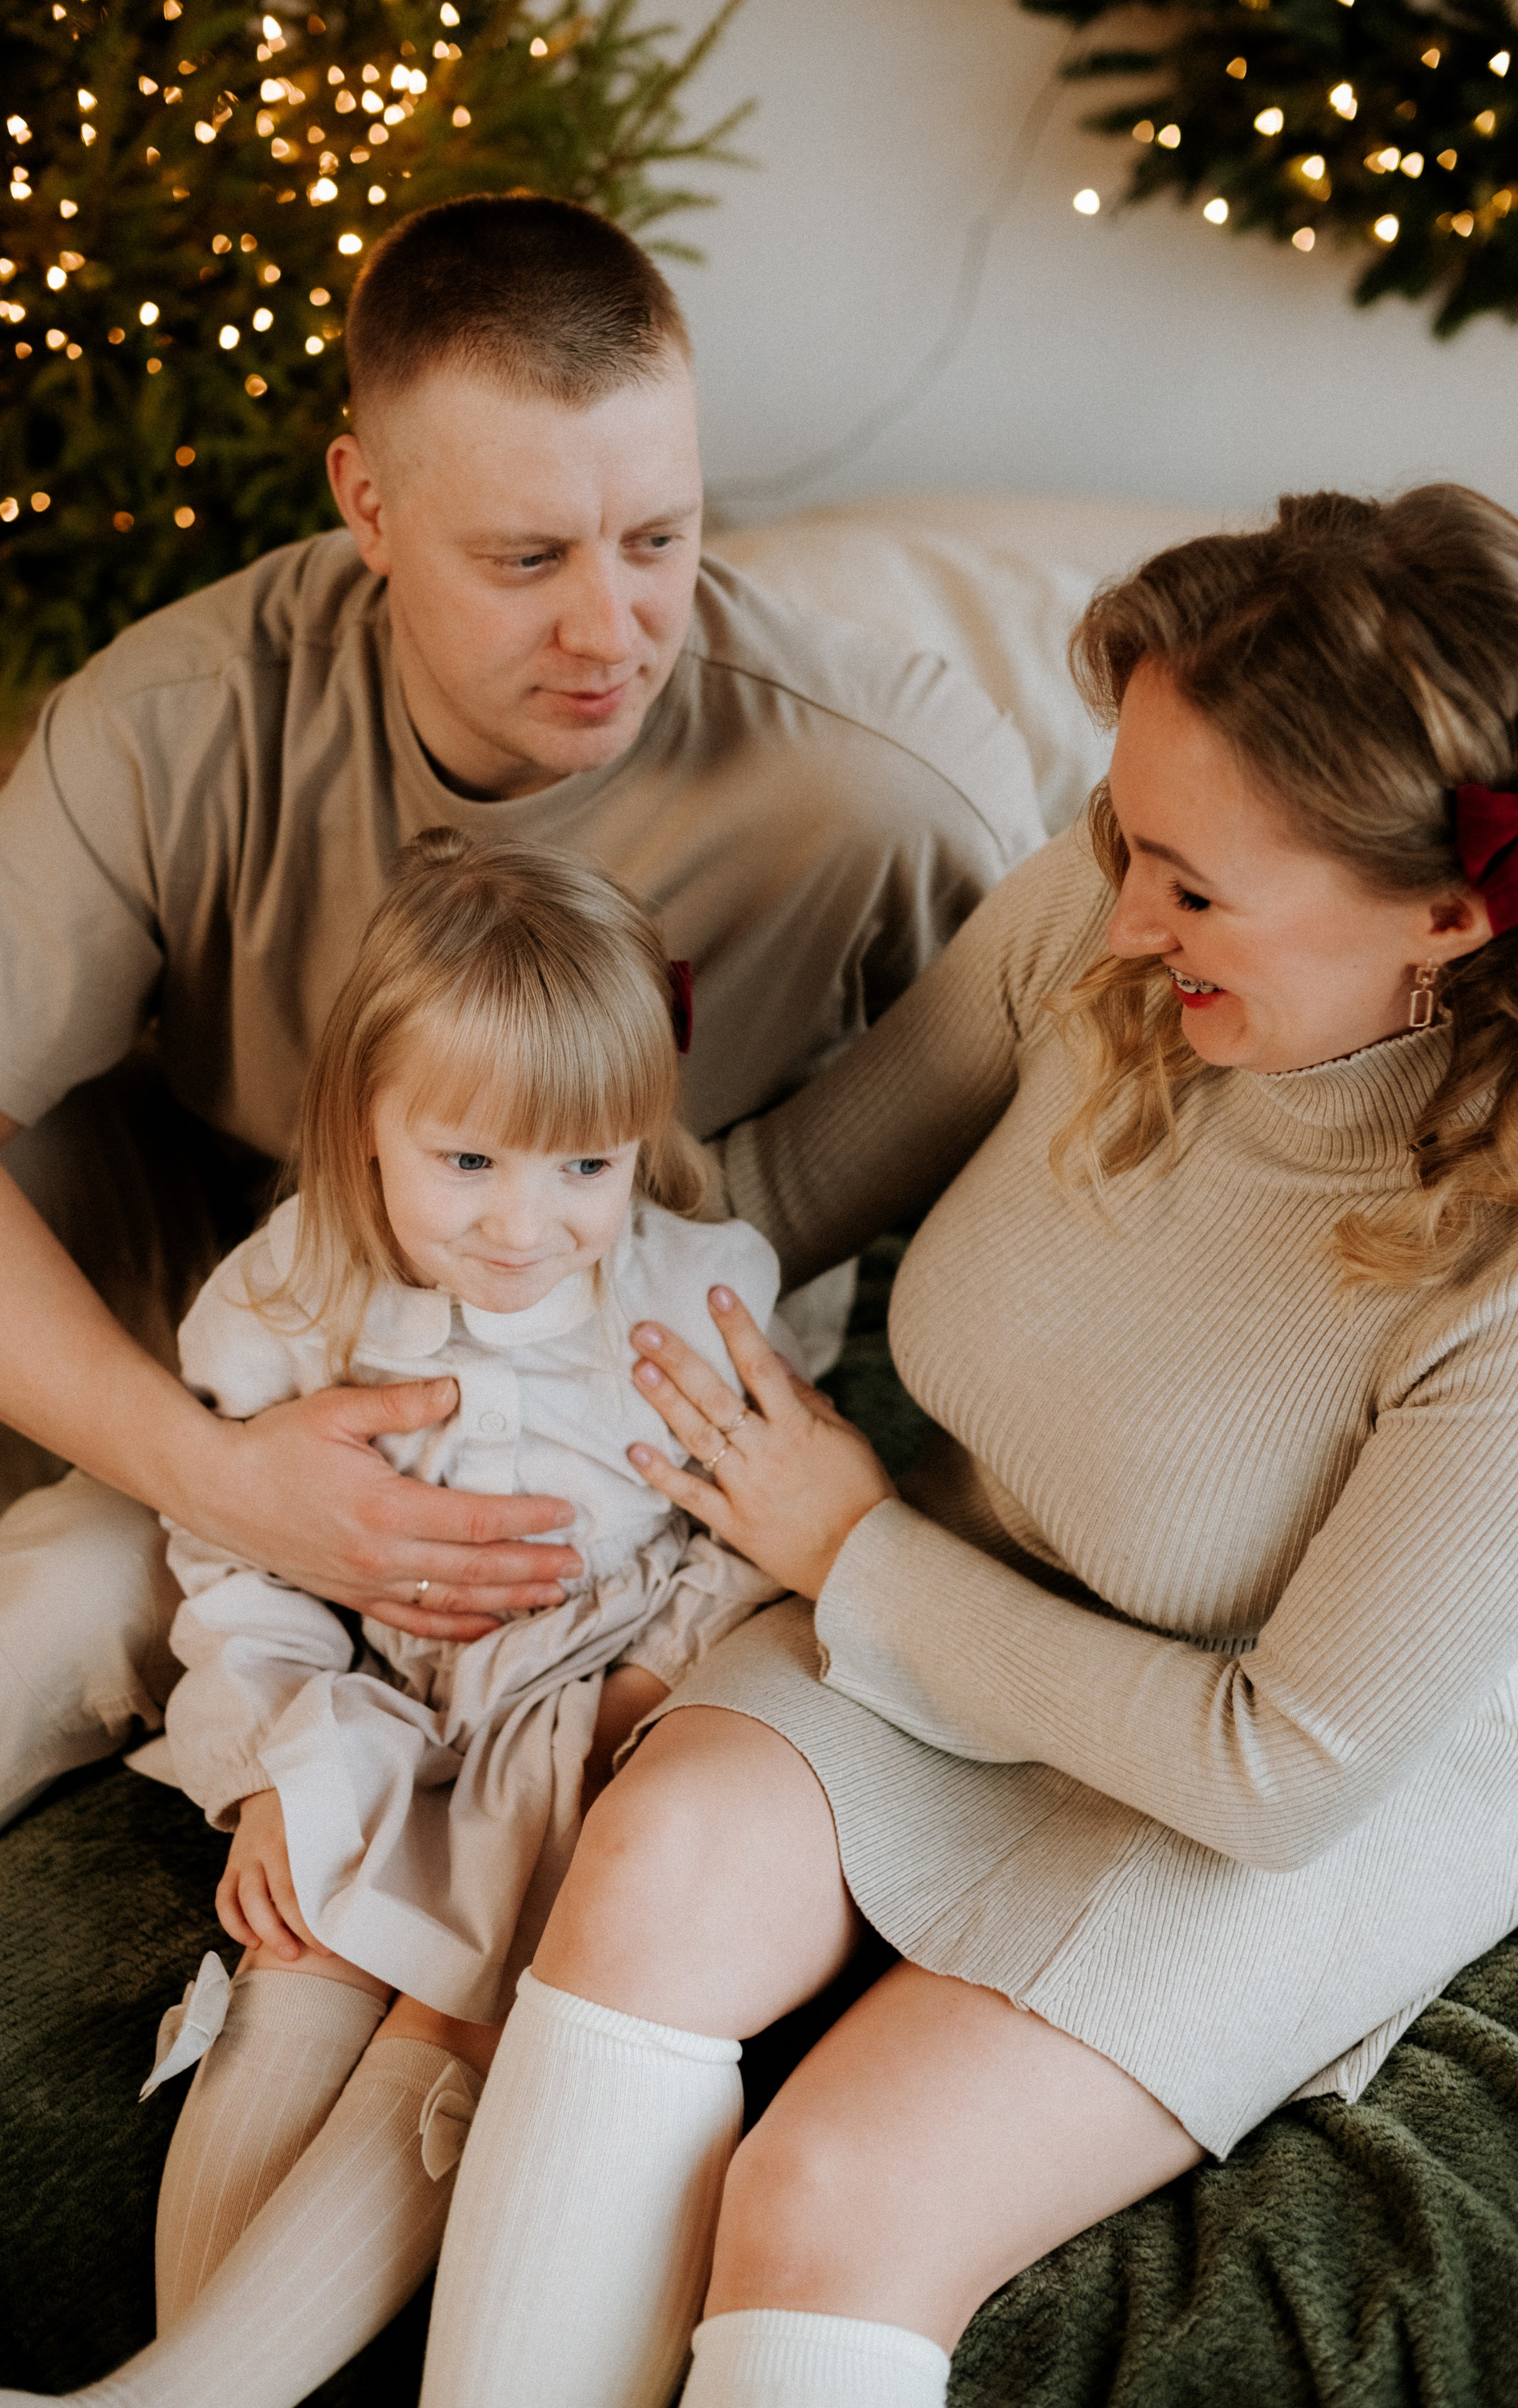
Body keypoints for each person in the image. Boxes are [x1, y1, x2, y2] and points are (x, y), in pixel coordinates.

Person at [355, 484, 1518, 2408]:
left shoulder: (1493, 1275)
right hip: (961, 1595)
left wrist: (856, 1555)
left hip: (1283, 1768)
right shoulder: (1102, 910)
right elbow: (787, 1189)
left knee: (828, 2192)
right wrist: (455, 1312)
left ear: (1454, 916)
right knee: (642, 1868)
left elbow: (1283, 1770)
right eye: (1120, 833)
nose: (1127, 914)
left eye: (1195, 882)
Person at [0, 193, 1040, 1899]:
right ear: (366, 500)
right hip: (236, 1300)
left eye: (659, 538)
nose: (613, 631)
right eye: (527, 560)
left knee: (74, 1582)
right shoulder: (177, 718)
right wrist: (221, 1472)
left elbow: (1066, 1140)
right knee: (47, 1594)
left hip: (610, 1384)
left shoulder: (885, 788)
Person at [0, 830, 788, 2408]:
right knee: (301, 1932)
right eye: (468, 1163)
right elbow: (239, 1560)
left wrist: (646, 1681)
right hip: (369, 1682)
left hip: (578, 1696)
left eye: (583, 1166)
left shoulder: (692, 1287)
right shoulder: (290, 1294)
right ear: (363, 1124)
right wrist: (266, 1763)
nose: (527, 1224)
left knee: (464, 1974)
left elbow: (748, 1526)